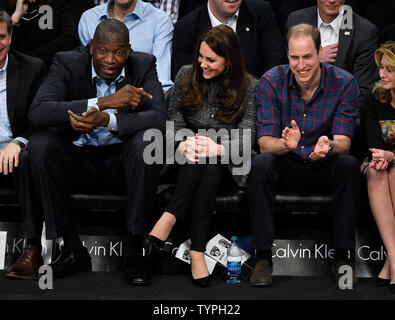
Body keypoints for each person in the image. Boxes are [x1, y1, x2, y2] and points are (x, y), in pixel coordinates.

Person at [26, 19, 167, 285]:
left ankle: (136, 249)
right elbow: (39, 111)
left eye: (118, 52)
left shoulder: (143, 64)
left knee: (148, 142)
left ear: (129, 51)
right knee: (40, 145)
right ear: (91, 47)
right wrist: (103, 103)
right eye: (103, 51)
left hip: (121, 162)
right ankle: (71, 247)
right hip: (76, 160)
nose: (111, 60)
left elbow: (160, 117)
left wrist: (108, 120)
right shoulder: (66, 62)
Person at [248, 23, 361, 288]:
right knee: (261, 164)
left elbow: (344, 142)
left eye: (307, 57)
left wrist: (329, 146)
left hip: (324, 164)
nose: (301, 65)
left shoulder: (345, 83)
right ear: (287, 56)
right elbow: (265, 143)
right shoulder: (271, 81)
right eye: (294, 58)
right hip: (286, 163)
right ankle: (263, 257)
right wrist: (286, 145)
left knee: (348, 164)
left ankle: (343, 259)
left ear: (320, 52)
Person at [145, 24, 257, 287]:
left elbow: (248, 135)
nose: (202, 64)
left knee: (211, 161)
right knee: (202, 157)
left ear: (229, 61)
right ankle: (197, 252)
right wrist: (186, 143)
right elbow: (173, 122)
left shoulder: (249, 85)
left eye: (211, 60)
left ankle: (168, 220)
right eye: (201, 57)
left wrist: (218, 148)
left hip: (228, 163)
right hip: (185, 158)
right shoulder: (186, 74)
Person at [0, 10, 47, 279]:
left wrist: (18, 142)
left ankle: (32, 248)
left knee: (28, 157)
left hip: (14, 153)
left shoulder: (32, 68)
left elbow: (40, 119)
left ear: (11, 35)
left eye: (2, 36)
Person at [286, 0, 379, 105]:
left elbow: (362, 92)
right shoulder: (296, 20)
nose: (331, 0)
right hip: (296, 109)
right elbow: (286, 74)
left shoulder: (364, 31)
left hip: (341, 113)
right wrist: (314, 59)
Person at [171, 0, 287, 81]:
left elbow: (275, 65)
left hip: (255, 101)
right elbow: (185, 80)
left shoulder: (260, 14)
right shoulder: (186, 27)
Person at [359, 42, 395, 293]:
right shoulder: (374, 98)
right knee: (377, 172)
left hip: (393, 160)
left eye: (389, 70)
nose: (382, 74)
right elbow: (372, 143)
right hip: (376, 160)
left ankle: (391, 263)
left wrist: (392, 155)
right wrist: (384, 157)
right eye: (381, 68)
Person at [78, 0, 173, 92]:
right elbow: (83, 72)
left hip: (140, 100)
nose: (110, 60)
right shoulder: (89, 18)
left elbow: (161, 84)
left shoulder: (159, 20)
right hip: (94, 98)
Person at [0, 0, 80, 68]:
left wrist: (27, 59)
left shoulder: (57, 3)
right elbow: (3, 43)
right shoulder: (6, 5)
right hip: (13, 70)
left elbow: (70, 39)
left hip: (49, 68)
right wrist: (16, 16)